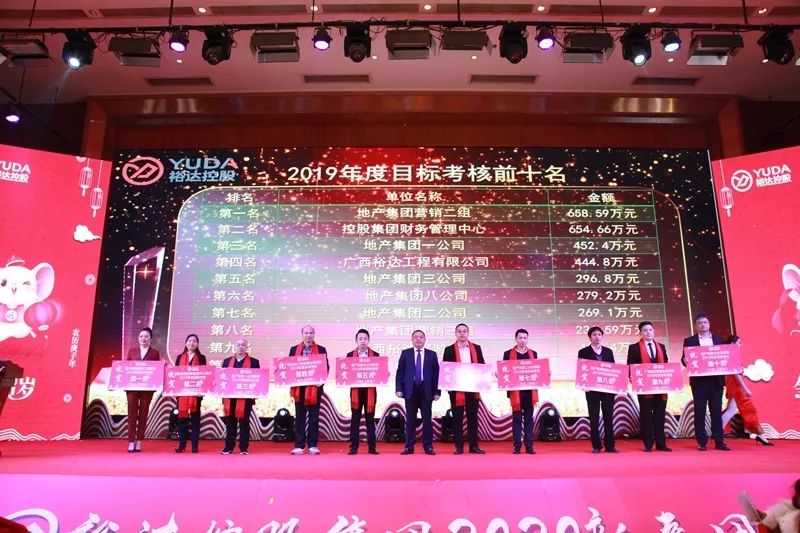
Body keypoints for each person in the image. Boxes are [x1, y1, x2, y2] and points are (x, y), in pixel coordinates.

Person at [682, 313, 731, 451]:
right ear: (696, 326)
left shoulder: (720, 340)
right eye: (700, 323)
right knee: (700, 412)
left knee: (716, 412)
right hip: (699, 383)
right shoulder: (689, 341)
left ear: (709, 324)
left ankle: (719, 441)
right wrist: (685, 361)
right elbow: (684, 359)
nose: (702, 325)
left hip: (716, 382)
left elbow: (726, 357)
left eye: (705, 322)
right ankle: (701, 442)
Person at [627, 321, 671, 452]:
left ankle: (661, 443)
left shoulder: (661, 346)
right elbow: (630, 365)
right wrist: (631, 377)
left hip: (660, 387)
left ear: (653, 331)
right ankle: (648, 444)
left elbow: (666, 364)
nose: (648, 332)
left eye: (650, 330)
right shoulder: (634, 348)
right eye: (645, 330)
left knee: (660, 415)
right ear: (640, 333)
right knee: (646, 415)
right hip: (644, 388)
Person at [442, 323, 487, 455]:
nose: (462, 333)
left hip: (473, 388)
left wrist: (485, 378)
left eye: (464, 331)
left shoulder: (476, 348)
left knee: (473, 417)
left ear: (468, 333)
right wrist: (447, 384)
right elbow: (446, 369)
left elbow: (482, 366)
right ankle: (459, 446)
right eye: (459, 331)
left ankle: (474, 446)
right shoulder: (449, 350)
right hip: (457, 390)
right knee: (457, 418)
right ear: (456, 333)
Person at [723, 335, 774, 446]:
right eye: (738, 343)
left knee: (731, 410)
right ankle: (760, 435)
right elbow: (736, 374)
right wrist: (745, 388)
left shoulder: (730, 355)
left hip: (733, 386)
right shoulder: (732, 356)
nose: (740, 345)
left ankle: (716, 431)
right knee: (750, 410)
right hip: (736, 387)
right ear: (732, 344)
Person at [396, 330, 440, 455]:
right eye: (416, 337)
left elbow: (437, 374)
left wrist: (437, 391)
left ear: (425, 339)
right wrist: (399, 389)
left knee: (427, 420)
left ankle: (428, 446)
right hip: (410, 390)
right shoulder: (405, 353)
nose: (418, 339)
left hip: (427, 390)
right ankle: (409, 447)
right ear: (412, 340)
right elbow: (400, 372)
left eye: (421, 337)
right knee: (410, 419)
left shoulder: (432, 354)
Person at [289, 325, 329, 455]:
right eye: (306, 333)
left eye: (311, 333)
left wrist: (321, 381)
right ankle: (299, 445)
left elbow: (326, 367)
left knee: (314, 418)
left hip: (315, 388)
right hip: (299, 389)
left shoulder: (321, 349)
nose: (308, 335)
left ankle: (313, 445)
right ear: (302, 334)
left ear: (314, 334)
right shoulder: (294, 349)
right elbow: (289, 367)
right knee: (300, 417)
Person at [578, 326, 619, 454]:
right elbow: (581, 369)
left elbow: (613, 369)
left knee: (608, 418)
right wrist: (584, 385)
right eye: (594, 335)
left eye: (599, 334)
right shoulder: (583, 352)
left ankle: (610, 445)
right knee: (594, 418)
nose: (597, 337)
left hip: (607, 390)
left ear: (602, 336)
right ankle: (596, 445)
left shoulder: (608, 351)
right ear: (590, 337)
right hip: (592, 391)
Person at [124, 327, 161, 453]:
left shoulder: (155, 353)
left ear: (150, 338)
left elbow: (156, 370)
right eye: (141, 336)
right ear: (138, 338)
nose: (143, 338)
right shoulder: (132, 351)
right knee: (132, 414)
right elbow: (126, 368)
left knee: (143, 414)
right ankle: (131, 442)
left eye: (146, 336)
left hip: (147, 389)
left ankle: (139, 441)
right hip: (132, 388)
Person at [220, 339, 260, 455]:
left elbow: (257, 380)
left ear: (247, 347)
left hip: (245, 398)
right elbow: (222, 378)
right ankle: (229, 446)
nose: (240, 347)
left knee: (244, 423)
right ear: (235, 347)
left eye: (243, 345)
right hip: (230, 398)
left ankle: (244, 447)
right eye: (238, 345)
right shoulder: (227, 361)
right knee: (230, 423)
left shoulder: (254, 362)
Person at [502, 328, 538, 455]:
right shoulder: (508, 354)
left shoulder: (533, 354)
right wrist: (499, 374)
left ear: (527, 339)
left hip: (529, 392)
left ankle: (529, 446)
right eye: (520, 338)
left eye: (525, 338)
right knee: (517, 419)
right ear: (515, 339)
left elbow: (537, 370)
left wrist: (545, 373)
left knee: (529, 419)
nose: (522, 340)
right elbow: (504, 370)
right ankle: (517, 446)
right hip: (515, 393)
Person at [347, 328, 380, 455]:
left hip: (370, 391)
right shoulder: (350, 355)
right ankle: (353, 447)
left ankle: (372, 447)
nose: (363, 341)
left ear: (369, 340)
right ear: (356, 340)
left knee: (370, 419)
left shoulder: (375, 355)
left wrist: (384, 374)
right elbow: (346, 373)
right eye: (360, 339)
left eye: (365, 339)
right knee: (355, 418)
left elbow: (379, 372)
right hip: (356, 391)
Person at [174, 333, 207, 454]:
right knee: (182, 419)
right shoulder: (179, 357)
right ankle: (181, 445)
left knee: (195, 420)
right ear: (185, 343)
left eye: (194, 341)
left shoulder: (201, 358)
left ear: (197, 344)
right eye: (189, 341)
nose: (191, 343)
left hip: (196, 394)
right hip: (182, 393)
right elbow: (175, 374)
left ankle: (194, 446)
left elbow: (204, 375)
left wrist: (201, 392)